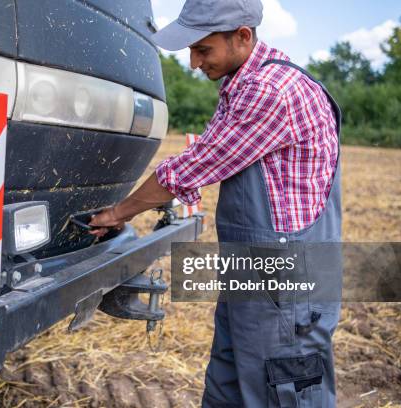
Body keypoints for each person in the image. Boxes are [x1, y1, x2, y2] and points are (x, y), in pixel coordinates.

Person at [89, 0, 343, 406]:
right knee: (228, 379)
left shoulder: (270, 90)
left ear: (242, 36)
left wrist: (118, 212)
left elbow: (195, 166)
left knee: (283, 389)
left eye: (202, 50)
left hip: (286, 280)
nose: (192, 63)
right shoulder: (246, 83)